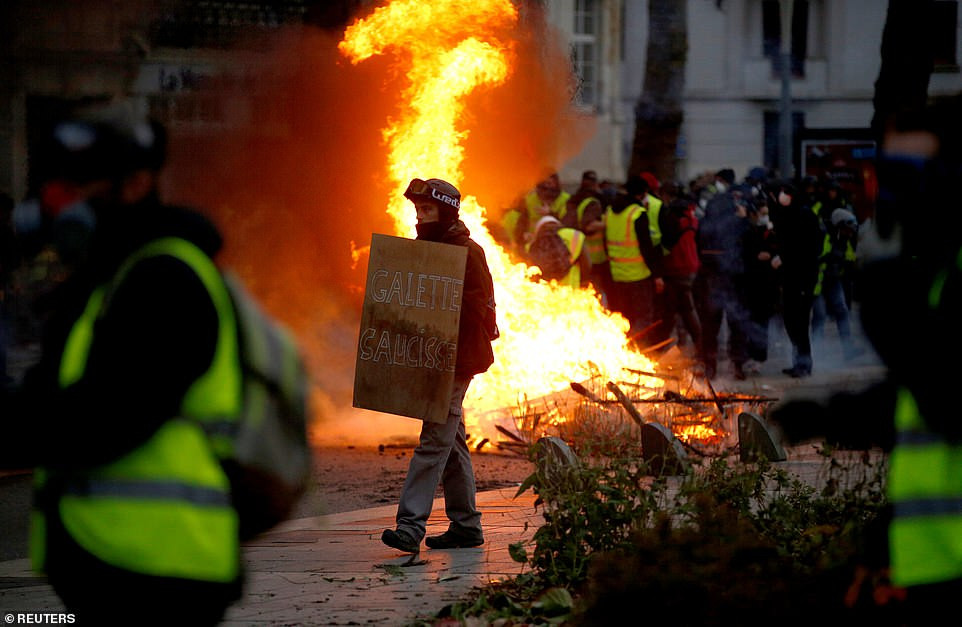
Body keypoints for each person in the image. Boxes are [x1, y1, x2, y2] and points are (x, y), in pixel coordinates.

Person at [0, 101, 251, 624]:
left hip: (162, 572)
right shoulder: (109, 278)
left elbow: (108, 417)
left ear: (136, 184)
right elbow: (52, 389)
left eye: (81, 185)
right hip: (112, 568)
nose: (59, 201)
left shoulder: (166, 278)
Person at [770, 93, 962, 624]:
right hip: (932, 564)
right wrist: (837, 417)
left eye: (908, 173)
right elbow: (918, 412)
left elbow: (947, 399)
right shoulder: (942, 275)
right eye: (886, 173)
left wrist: (893, 313)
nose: (890, 192)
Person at [381, 177, 497, 554]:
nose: (420, 216)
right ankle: (466, 526)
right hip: (431, 359)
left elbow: (481, 311)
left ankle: (410, 526)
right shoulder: (420, 251)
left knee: (433, 441)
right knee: (453, 441)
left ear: (446, 210)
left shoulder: (468, 251)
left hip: (457, 361)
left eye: (427, 209)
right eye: (417, 209)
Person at [694, 173, 751, 379]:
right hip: (734, 281)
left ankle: (710, 366)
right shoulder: (738, 225)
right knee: (736, 324)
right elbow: (748, 248)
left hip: (711, 280)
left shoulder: (704, 226)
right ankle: (737, 366)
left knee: (711, 326)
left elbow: (699, 249)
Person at [769, 180, 822, 377]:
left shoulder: (805, 215)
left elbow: (808, 248)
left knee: (799, 324)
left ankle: (804, 364)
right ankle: (798, 362)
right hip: (791, 277)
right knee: (792, 322)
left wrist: (785, 258)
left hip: (803, 278)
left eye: (785, 192)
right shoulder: (790, 214)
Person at [604, 175, 664, 346]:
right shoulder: (637, 213)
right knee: (642, 318)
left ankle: (622, 351)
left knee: (623, 318)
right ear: (642, 194)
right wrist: (657, 274)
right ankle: (638, 351)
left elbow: (606, 241)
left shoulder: (610, 211)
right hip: (638, 276)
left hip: (617, 274)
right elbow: (646, 247)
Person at [563, 170, 608, 298]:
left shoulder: (573, 200)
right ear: (595, 184)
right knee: (595, 293)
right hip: (593, 258)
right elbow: (588, 225)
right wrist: (609, 224)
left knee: (582, 292)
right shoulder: (593, 203)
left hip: (574, 254)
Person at [527, 216, 590, 288]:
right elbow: (587, 265)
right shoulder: (574, 235)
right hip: (572, 290)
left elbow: (532, 274)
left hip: (548, 294)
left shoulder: (533, 245)